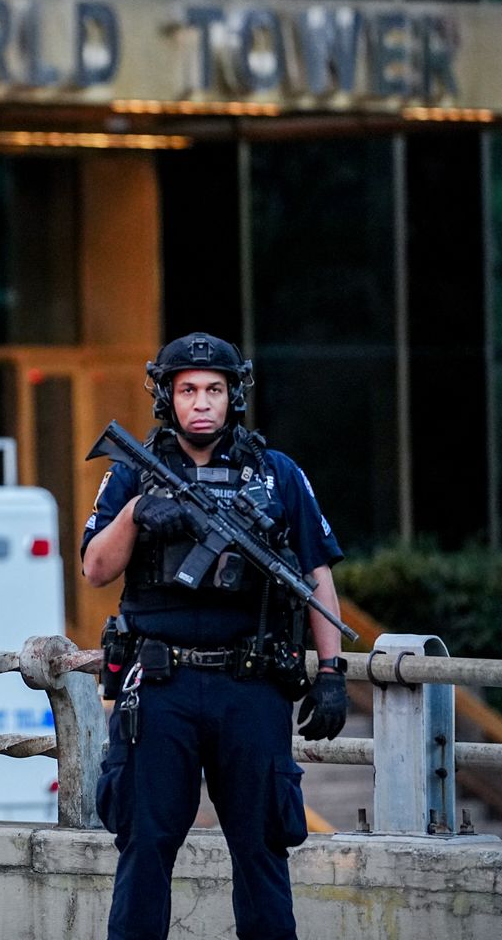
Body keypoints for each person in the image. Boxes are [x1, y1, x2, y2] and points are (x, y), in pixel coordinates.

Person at [81, 332, 349, 940]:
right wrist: (136, 512)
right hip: (160, 688)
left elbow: (315, 578)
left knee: (261, 850)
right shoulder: (132, 472)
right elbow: (96, 568)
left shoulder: (277, 474)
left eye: (214, 390)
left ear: (234, 396)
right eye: (188, 390)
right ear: (167, 398)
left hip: (249, 685)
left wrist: (332, 674)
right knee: (145, 847)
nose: (201, 402)